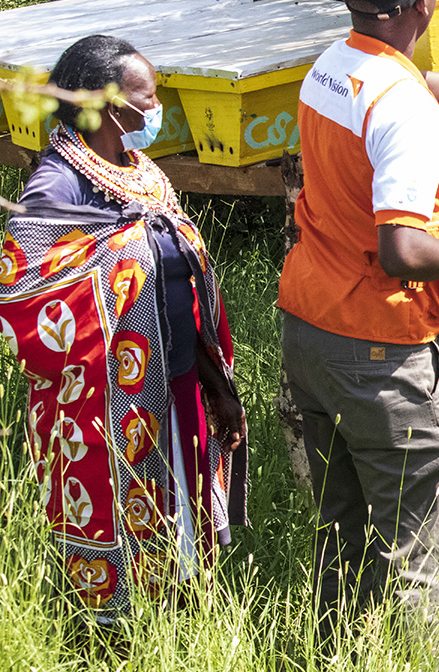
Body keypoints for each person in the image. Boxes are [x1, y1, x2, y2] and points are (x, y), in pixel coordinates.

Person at [277, 0, 439, 635]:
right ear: (424, 5)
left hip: (309, 327)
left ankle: (335, 647)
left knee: (343, 531)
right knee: (417, 555)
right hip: (377, 345)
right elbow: (403, 249)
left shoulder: (333, 64)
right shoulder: (402, 110)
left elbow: (410, 85)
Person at [0, 34, 248, 615]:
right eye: (149, 98)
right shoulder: (59, 184)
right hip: (108, 405)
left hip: (177, 381)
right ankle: (111, 638)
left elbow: (179, 285)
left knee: (180, 522)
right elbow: (18, 291)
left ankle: (179, 627)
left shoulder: (138, 168)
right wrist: (118, 258)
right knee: (123, 530)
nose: (156, 109)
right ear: (112, 106)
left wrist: (216, 385)